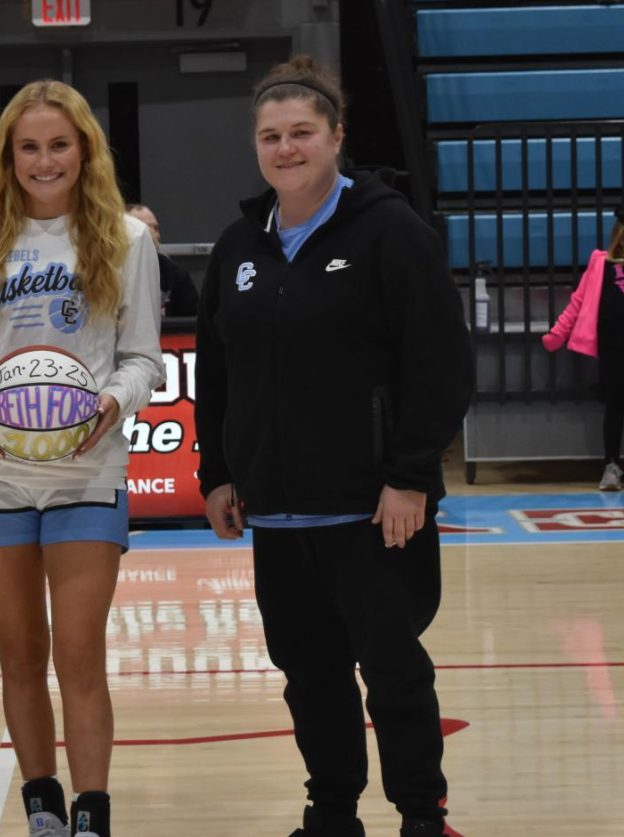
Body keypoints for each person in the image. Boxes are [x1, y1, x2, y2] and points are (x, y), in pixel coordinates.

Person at [194, 56, 473, 837]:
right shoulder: (240, 246)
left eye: (302, 133)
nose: (286, 149)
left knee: (392, 672)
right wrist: (217, 472)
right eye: (270, 136)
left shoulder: (391, 232)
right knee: (310, 676)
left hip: (373, 509)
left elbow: (441, 364)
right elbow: (217, 373)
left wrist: (411, 475)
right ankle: (334, 813)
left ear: (337, 137)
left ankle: (424, 814)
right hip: (278, 516)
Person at [0, 80, 164, 837]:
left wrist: (111, 403)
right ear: (8, 156)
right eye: (28, 146)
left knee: (80, 655)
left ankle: (92, 815)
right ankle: (43, 808)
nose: (44, 159)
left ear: (84, 149)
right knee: (20, 653)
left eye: (59, 144)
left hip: (86, 470)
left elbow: (143, 357)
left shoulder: (127, 241)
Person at [541, 203, 624, 491]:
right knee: (615, 406)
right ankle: (611, 465)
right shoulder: (600, 263)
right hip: (613, 347)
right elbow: (578, 302)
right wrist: (558, 333)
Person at [125, 202, 199, 316]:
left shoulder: (174, 274)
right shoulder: (107, 273)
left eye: (156, 228)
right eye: (146, 227)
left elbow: (193, 321)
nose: (156, 234)